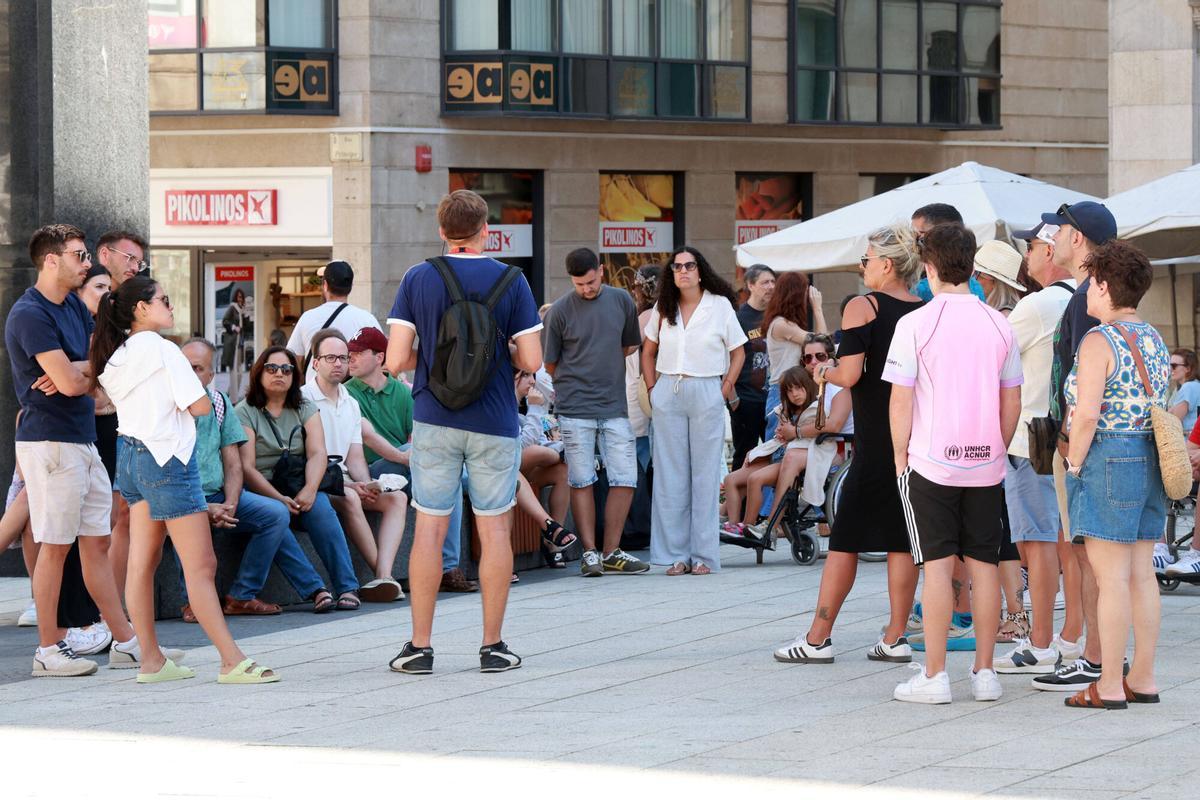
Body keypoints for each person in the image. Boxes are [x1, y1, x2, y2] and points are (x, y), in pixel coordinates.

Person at [384, 189, 542, 674]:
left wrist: (431, 359)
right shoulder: (512, 280)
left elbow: (394, 361)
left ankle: (419, 647)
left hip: (434, 417)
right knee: (494, 529)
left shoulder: (418, 277)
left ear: (441, 230)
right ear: (486, 230)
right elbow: (531, 360)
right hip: (494, 421)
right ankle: (493, 646)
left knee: (430, 530)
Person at [94, 276, 275, 683]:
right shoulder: (163, 350)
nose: (170, 306)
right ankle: (231, 660)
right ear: (141, 308)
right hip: (168, 460)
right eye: (163, 300)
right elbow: (199, 407)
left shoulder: (117, 353)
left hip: (131, 456)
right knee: (201, 564)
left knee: (143, 563)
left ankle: (151, 660)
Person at [772, 224, 924, 666]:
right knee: (900, 540)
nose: (861, 267)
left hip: (875, 434)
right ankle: (895, 636)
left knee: (844, 539)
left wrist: (823, 372)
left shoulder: (864, 306)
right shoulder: (921, 308)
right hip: (911, 433)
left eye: (865, 259)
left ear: (886, 264)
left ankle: (818, 638)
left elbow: (851, 374)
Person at [885, 223, 1022, 705]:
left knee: (938, 569)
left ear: (928, 266)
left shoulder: (915, 324)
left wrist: (900, 456)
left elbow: (900, 401)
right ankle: (985, 674)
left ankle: (936, 675)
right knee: (985, 565)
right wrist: (995, 448)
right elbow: (1012, 403)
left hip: (931, 462)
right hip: (987, 463)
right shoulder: (999, 322)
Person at [5, 225, 139, 677]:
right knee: (55, 548)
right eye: (79, 256)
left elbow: (108, 366)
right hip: (51, 443)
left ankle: (125, 642)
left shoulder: (77, 310)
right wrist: (84, 374)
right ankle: (48, 649)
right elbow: (70, 383)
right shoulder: (30, 313)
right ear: (51, 260)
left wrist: (81, 371)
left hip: (81, 439)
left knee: (95, 545)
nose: (87, 264)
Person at [1061, 240, 1166, 710]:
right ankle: (1142, 677)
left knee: (1110, 579)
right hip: (1151, 456)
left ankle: (1106, 684)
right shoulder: (1155, 338)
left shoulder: (1099, 340)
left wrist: (1074, 463)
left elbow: (1086, 414)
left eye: (1090, 284)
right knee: (1142, 574)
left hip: (1109, 455)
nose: (1086, 292)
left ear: (1103, 285)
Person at [179, 338, 334, 620]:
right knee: (183, 518)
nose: (190, 374)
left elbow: (234, 464)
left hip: (218, 495)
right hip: (178, 498)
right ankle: (191, 601)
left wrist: (230, 502)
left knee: (275, 514)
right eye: (184, 367)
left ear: (210, 375)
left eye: (198, 368)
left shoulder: (219, 403)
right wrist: (202, 507)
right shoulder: (162, 405)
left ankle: (242, 595)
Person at [1033, 200, 1117, 694]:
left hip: (1084, 443)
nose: (1053, 239)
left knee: (1086, 551)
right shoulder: (1093, 293)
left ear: (1078, 239)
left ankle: (1095, 656)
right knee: (1087, 551)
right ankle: (1096, 652)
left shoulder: (1090, 299)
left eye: (1060, 230)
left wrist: (1070, 446)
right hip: (1090, 442)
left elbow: (1086, 387)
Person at [993, 224, 1078, 676]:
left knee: (1036, 541)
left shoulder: (1038, 304)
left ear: (1049, 250)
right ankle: (1069, 636)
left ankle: (1041, 642)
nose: (1026, 253)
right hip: (1064, 430)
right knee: (1065, 543)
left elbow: (993, 356)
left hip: (1033, 432)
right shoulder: (1080, 297)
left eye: (1031, 245)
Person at [344, 327, 477, 594]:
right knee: (445, 474)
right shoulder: (347, 393)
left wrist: (413, 456)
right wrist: (406, 456)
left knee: (443, 477)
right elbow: (367, 437)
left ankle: (448, 569)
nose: (351, 359)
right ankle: (473, 484)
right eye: (349, 354)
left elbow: (418, 436)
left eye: (358, 353)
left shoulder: (403, 392)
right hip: (372, 472)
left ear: (380, 357)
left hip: (411, 470)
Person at [542, 247, 648, 577]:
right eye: (579, 284)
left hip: (614, 404)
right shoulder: (559, 311)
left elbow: (630, 345)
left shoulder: (621, 301)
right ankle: (590, 552)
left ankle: (612, 550)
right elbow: (550, 363)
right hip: (575, 407)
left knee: (625, 477)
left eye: (590, 282)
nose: (586, 289)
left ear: (601, 270)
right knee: (581, 478)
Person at [642, 247, 746, 575]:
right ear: (671, 273)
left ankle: (703, 555)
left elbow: (739, 352)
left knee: (704, 475)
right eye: (677, 267)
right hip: (668, 389)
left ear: (700, 270)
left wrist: (725, 387)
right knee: (670, 476)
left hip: (707, 389)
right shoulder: (664, 307)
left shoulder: (720, 306)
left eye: (689, 265)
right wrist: (651, 389)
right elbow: (648, 351)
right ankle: (675, 555)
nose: (683, 271)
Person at [236, 347, 361, 612]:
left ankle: (347, 587)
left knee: (322, 508)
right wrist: (277, 498)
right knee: (275, 515)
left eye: (286, 369)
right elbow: (246, 467)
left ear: (295, 375)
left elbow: (318, 453)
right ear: (259, 372)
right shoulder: (245, 410)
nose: (279, 374)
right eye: (271, 368)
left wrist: (310, 489)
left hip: (297, 482)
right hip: (261, 488)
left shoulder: (304, 406)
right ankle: (316, 590)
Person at [302, 329, 407, 603]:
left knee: (396, 498)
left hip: (347, 478)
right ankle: (384, 579)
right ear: (315, 362)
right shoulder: (303, 399)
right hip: (318, 482)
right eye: (330, 358)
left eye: (343, 358)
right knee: (349, 496)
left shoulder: (351, 402)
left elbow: (356, 459)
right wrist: (351, 486)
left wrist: (367, 484)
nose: (338, 363)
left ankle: (384, 575)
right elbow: (308, 458)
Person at [972, 239, 1030, 643]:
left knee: (1002, 531)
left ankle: (1014, 613)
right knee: (1003, 530)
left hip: (996, 435)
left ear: (986, 279)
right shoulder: (1007, 316)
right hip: (1001, 435)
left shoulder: (1002, 321)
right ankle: (1015, 613)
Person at [743, 334, 854, 538]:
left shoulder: (839, 386)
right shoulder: (811, 387)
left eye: (819, 356)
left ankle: (769, 525)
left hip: (839, 448)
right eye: (807, 358)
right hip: (812, 445)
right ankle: (740, 522)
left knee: (792, 456)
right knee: (756, 460)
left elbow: (834, 424)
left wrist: (795, 432)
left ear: (831, 358)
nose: (813, 362)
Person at [286, 260, 382, 383]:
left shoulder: (307, 317)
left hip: (315, 395)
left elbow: (292, 360)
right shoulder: (367, 319)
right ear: (351, 286)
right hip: (354, 396)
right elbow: (382, 360)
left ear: (325, 285)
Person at [761, 271, 825, 444]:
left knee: (791, 447)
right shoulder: (782, 324)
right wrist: (818, 308)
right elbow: (821, 342)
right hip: (783, 391)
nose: (807, 297)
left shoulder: (786, 323)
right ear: (795, 294)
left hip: (792, 389)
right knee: (778, 450)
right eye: (805, 292)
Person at [730, 264, 776, 469]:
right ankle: (738, 502)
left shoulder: (776, 316)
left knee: (774, 454)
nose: (771, 287)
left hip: (773, 401)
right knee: (744, 456)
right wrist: (733, 399)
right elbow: (726, 360)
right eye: (765, 282)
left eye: (773, 282)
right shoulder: (739, 318)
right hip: (747, 399)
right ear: (750, 285)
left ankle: (768, 501)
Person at [911, 204, 986, 302]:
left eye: (920, 238)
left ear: (944, 235)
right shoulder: (975, 286)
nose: (913, 244)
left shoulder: (920, 290)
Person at [974, 240, 1027, 315]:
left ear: (994, 282)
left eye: (976, 273)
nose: (972, 278)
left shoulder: (1005, 316)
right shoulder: (997, 311)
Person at [1167, 348, 1200, 433]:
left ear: (1188, 368)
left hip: (1188, 443)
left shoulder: (1188, 387)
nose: (1171, 369)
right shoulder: (1196, 385)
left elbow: (1173, 422)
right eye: (1169, 365)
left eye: (1174, 366)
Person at [221, 288, 249, 373]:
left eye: (241, 297)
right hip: (233, 338)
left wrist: (245, 315)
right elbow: (225, 321)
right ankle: (234, 386)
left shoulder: (242, 309)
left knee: (239, 364)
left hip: (240, 339)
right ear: (235, 297)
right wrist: (234, 327)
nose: (240, 299)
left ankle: (235, 385)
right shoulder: (232, 307)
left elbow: (246, 326)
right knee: (233, 364)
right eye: (238, 297)